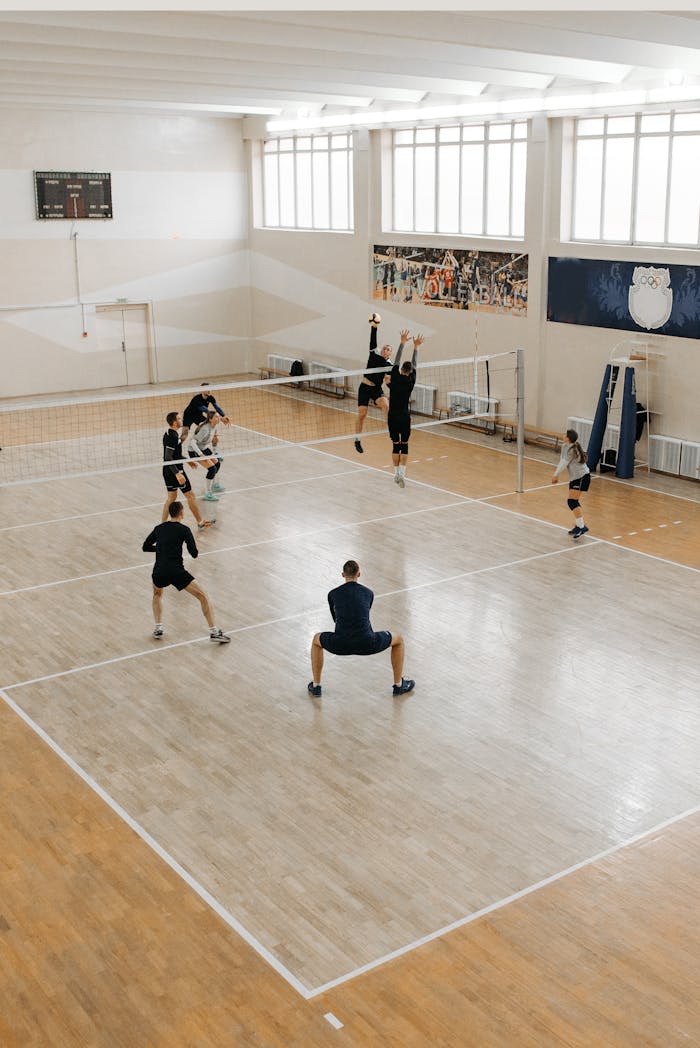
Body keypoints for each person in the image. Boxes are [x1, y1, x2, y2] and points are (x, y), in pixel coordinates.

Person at [308, 560, 414, 698]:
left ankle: (316, 686)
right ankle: (399, 685)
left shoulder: (332, 594)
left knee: (316, 639)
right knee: (398, 640)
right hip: (367, 643)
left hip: (341, 643)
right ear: (359, 573)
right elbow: (363, 613)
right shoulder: (369, 593)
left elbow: (336, 618)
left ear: (342, 574)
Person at [142, 500, 230, 642]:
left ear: (170, 513)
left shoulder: (159, 528)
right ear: (182, 513)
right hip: (177, 572)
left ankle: (158, 628)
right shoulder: (184, 530)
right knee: (203, 596)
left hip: (159, 570)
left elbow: (145, 546)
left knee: (157, 594)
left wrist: (160, 548)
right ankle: (214, 632)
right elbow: (194, 553)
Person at [161, 411, 215, 528]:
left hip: (167, 471)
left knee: (171, 497)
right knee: (190, 496)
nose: (181, 420)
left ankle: (162, 525)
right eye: (179, 419)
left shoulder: (170, 434)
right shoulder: (172, 437)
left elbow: (174, 455)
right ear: (175, 422)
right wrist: (177, 474)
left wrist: (187, 460)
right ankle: (200, 522)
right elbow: (168, 457)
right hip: (175, 471)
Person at [387, 331, 424, 487]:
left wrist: (403, 342)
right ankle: (402, 474)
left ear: (401, 369)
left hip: (392, 417)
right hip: (404, 417)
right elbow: (414, 365)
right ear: (410, 372)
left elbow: (396, 360)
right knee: (405, 445)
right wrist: (416, 347)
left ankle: (396, 474)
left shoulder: (394, 376)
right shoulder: (411, 381)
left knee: (396, 445)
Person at [353, 315, 394, 454]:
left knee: (386, 405)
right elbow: (373, 339)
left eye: (388, 349)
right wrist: (374, 326)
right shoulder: (374, 355)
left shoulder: (389, 365)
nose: (385, 349)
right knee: (362, 414)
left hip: (376, 389)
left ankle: (391, 430)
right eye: (384, 348)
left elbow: (389, 380)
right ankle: (357, 440)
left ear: (390, 354)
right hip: (365, 387)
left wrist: (390, 385)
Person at [551, 428, 591, 538]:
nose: (563, 435)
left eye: (565, 434)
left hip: (582, 477)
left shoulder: (572, 450)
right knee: (572, 501)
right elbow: (562, 460)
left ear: (568, 438)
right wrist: (556, 473)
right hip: (575, 478)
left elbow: (564, 462)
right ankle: (580, 526)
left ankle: (582, 527)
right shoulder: (565, 446)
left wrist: (556, 475)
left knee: (572, 501)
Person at [187, 410, 224, 502]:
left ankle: (214, 485)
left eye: (218, 416)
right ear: (211, 419)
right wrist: (200, 454)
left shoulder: (214, 427)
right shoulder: (205, 429)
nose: (218, 418)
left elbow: (214, 441)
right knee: (212, 469)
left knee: (217, 464)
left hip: (203, 448)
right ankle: (208, 493)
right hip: (194, 450)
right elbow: (192, 442)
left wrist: (215, 452)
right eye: (216, 417)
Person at [181, 381, 231, 448]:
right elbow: (205, 410)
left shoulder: (211, 398)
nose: (209, 390)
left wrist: (223, 415)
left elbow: (217, 407)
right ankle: (177, 449)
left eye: (210, 388)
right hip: (188, 416)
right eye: (207, 389)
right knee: (184, 434)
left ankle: (215, 452)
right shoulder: (196, 399)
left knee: (213, 430)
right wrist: (219, 418)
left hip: (198, 415)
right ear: (201, 390)